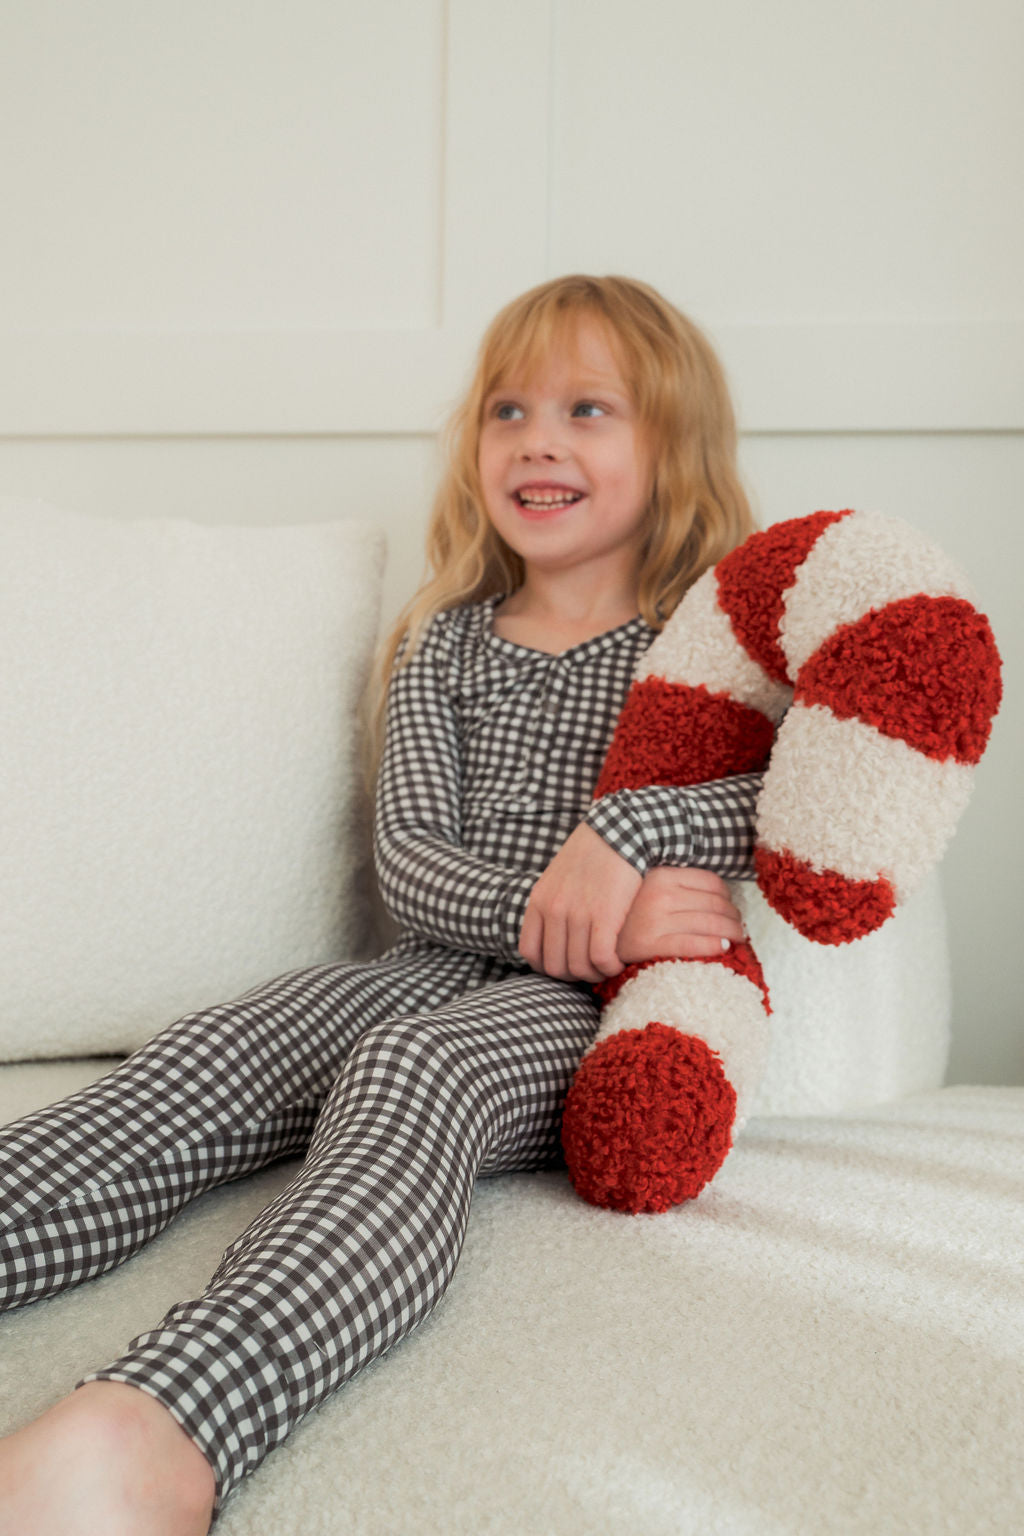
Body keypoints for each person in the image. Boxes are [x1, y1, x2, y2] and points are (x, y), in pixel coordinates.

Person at [0, 274, 762, 1535]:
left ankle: (168, 1425)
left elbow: (796, 813)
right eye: (507, 409)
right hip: (429, 957)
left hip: (582, 1008)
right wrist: (567, 897)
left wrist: (630, 838)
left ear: (672, 441)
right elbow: (413, 861)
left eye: (587, 408)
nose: (537, 439)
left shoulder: (702, 648)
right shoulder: (447, 640)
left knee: (415, 1072)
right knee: (213, 1045)